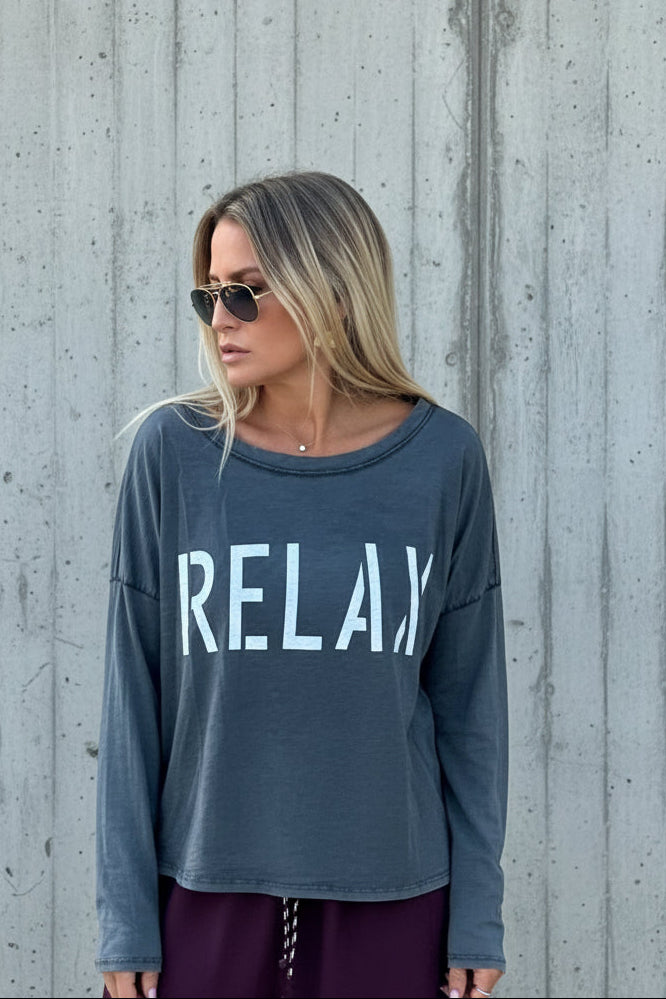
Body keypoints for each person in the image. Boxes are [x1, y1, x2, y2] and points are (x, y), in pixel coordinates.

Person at [95, 171, 508, 999]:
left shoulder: (442, 459)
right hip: (201, 897)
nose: (220, 319)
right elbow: (132, 703)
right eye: (210, 294)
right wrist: (125, 918)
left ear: (334, 290)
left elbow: (470, 711)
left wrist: (479, 914)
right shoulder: (173, 453)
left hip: (397, 902)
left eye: (245, 292)